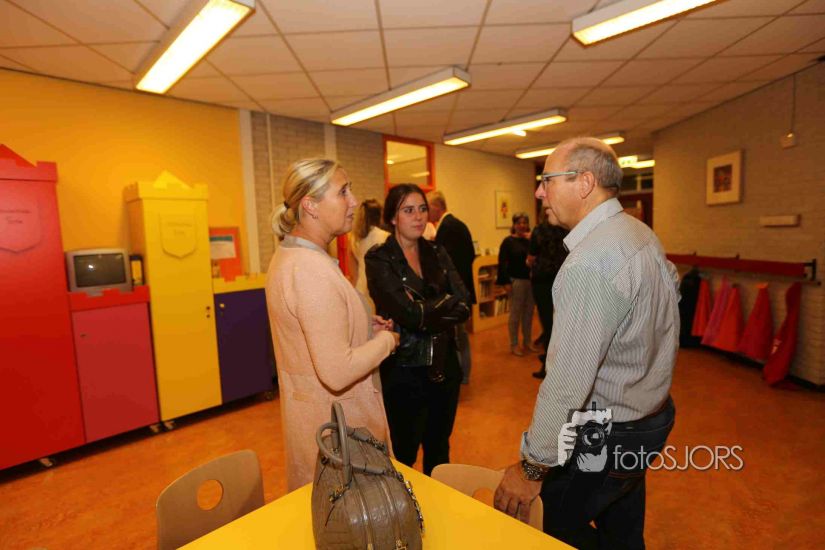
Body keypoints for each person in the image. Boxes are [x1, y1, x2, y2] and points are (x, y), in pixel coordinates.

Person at [493, 138, 679, 549]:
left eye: (547, 180)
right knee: (622, 530)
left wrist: (532, 468)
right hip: (651, 418)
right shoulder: (639, 233)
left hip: (611, 432)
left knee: (550, 525)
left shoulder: (590, 263)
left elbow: (567, 383)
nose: (539, 192)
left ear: (585, 183)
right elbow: (670, 303)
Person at [265, 158, 399, 490]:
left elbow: (314, 330)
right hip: (340, 435)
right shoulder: (310, 270)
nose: (354, 201)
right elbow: (337, 372)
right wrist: (387, 342)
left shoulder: (295, 257)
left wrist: (362, 327)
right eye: (342, 192)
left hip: (323, 425)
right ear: (310, 205)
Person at [365, 184, 471, 475]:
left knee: (439, 451)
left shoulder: (437, 251)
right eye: (408, 210)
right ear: (392, 217)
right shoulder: (379, 258)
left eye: (422, 209)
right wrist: (441, 305)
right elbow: (408, 315)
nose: (418, 216)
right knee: (403, 454)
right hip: (404, 369)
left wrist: (423, 310)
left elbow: (464, 302)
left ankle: (437, 503)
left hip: (444, 366)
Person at [427, 190, 477, 384]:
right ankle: (464, 373)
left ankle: (461, 374)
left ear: (437, 207)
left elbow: (445, 266)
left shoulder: (447, 227)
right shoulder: (456, 225)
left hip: (455, 293)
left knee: (458, 335)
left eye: (428, 207)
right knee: (460, 334)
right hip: (462, 290)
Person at [527, 212, 568, 378]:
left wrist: (530, 263)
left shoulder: (539, 231)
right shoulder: (566, 230)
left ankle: (547, 366)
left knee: (547, 322)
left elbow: (531, 257)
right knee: (560, 321)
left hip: (542, 281)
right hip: (562, 278)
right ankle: (556, 359)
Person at [496, 212, 539, 356]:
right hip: (516, 282)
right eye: (519, 223)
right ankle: (514, 344)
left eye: (525, 222)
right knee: (515, 314)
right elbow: (502, 263)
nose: (522, 225)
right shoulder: (508, 241)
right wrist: (505, 282)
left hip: (531, 281)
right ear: (514, 225)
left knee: (528, 313)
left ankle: (527, 341)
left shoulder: (530, 241)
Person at [347, 198, 389, 309]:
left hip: (359, 289)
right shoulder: (386, 237)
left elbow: (353, 273)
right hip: (378, 291)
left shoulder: (353, 239)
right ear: (380, 215)